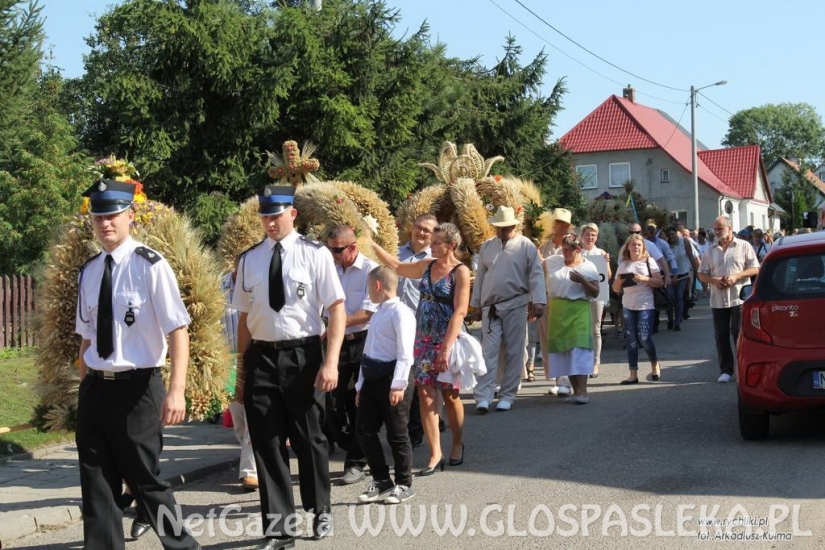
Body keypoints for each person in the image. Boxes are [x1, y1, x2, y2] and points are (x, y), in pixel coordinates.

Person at [74, 179, 200, 550]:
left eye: (112, 215)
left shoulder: (150, 265)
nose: (105, 223)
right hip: (96, 388)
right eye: (98, 217)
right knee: (96, 484)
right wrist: (85, 388)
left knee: (146, 481)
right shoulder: (90, 270)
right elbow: (86, 338)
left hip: (137, 388)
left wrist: (176, 390)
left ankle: (183, 547)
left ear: (131, 215)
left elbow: (178, 329)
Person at [232, 185, 346, 549]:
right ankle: (279, 528)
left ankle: (320, 510)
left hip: (304, 356)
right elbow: (244, 318)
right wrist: (239, 370)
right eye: (264, 216)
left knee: (309, 439)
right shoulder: (249, 259)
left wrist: (330, 362)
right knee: (266, 442)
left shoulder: (315, 255)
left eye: (275, 215)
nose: (269, 222)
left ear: (291, 214)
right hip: (262, 358)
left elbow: (337, 309)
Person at [366, 223, 470, 475]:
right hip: (423, 338)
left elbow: (460, 310)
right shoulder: (427, 265)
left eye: (436, 243)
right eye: (431, 242)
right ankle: (436, 453)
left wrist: (446, 347)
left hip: (447, 339)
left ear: (451, 246)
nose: (430, 246)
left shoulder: (460, 272)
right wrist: (371, 243)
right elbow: (398, 267)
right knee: (425, 394)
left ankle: (457, 443)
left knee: (450, 395)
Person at [470, 206, 546, 412]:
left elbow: (536, 274)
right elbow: (480, 278)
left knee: (514, 350)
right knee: (488, 351)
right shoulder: (487, 246)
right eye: (499, 227)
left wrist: (538, 301)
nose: (502, 230)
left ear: (514, 225)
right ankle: (483, 395)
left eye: (506, 227)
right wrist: (475, 304)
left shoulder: (526, 245)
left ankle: (508, 394)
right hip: (490, 306)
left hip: (516, 303)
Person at [354, 266, 416, 504]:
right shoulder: (378, 312)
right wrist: (360, 385)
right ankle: (381, 479)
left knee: (397, 433)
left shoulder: (401, 313)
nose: (369, 291)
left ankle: (404, 483)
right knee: (365, 431)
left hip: (393, 378)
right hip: (372, 378)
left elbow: (405, 354)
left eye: (369, 287)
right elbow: (368, 351)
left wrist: (398, 385)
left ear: (377, 286)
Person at [324, 225, 378, 486]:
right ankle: (352, 444)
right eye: (329, 249)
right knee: (331, 403)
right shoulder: (328, 269)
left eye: (336, 250)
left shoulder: (370, 270)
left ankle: (356, 462)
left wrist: (334, 322)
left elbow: (368, 313)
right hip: (334, 343)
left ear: (353, 248)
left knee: (360, 403)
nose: (331, 254)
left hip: (362, 343)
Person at [697, 215, 759, 383]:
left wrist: (736, 276)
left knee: (738, 334)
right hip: (718, 299)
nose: (717, 232)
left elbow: (755, 268)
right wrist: (714, 281)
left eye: (720, 228)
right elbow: (701, 274)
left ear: (730, 228)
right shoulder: (710, 250)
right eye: (715, 229)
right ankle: (726, 370)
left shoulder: (744, 246)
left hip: (739, 298)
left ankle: (742, 368)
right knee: (721, 335)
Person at [544, 233, 601, 404]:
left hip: (578, 310)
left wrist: (583, 281)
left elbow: (596, 292)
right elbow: (537, 263)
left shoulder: (588, 266)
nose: (565, 253)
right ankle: (576, 391)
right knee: (565, 352)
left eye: (569, 250)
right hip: (558, 311)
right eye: (563, 249)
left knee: (579, 350)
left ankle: (583, 391)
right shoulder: (554, 261)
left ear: (578, 250)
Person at [397, 214, 436, 449]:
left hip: (419, 326)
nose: (421, 233)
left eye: (427, 231)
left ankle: (414, 429)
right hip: (393, 326)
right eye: (419, 228)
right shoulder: (396, 253)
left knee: (416, 379)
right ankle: (398, 427)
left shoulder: (434, 260)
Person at [221, 264, 258, 491]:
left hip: (255, 359)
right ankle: (256, 457)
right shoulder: (218, 285)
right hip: (227, 362)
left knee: (253, 415)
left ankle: (250, 471)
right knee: (239, 420)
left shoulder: (258, 285)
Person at [611, 234, 663, 384]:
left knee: (645, 337)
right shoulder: (623, 264)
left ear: (643, 247)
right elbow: (615, 288)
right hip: (628, 305)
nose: (636, 247)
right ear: (628, 247)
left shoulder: (649, 261)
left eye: (639, 245)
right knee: (631, 341)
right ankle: (633, 374)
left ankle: (654, 365)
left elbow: (659, 282)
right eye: (633, 245)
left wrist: (645, 279)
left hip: (645, 305)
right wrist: (619, 282)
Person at [539, 208, 574, 396]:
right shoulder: (544, 244)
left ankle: (566, 380)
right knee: (547, 339)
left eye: (560, 223)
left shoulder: (571, 245)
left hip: (563, 297)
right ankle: (555, 377)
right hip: (544, 296)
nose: (556, 225)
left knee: (563, 338)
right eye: (555, 222)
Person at [579, 223, 611, 377]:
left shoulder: (601, 253)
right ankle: (584, 361)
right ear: (582, 236)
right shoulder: (578, 252)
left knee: (596, 328)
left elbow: (608, 276)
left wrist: (606, 263)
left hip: (596, 295)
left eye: (593, 235)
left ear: (597, 237)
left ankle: (596, 362)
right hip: (579, 295)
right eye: (587, 234)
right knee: (582, 329)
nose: (590, 237)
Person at [664, 226, 699, 331]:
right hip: (669, 275)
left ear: (676, 234)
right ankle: (670, 320)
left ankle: (677, 322)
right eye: (669, 235)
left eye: (672, 234)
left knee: (679, 296)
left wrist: (696, 271)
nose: (671, 236)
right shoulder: (665, 245)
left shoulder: (684, 242)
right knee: (670, 297)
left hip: (682, 274)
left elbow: (691, 256)